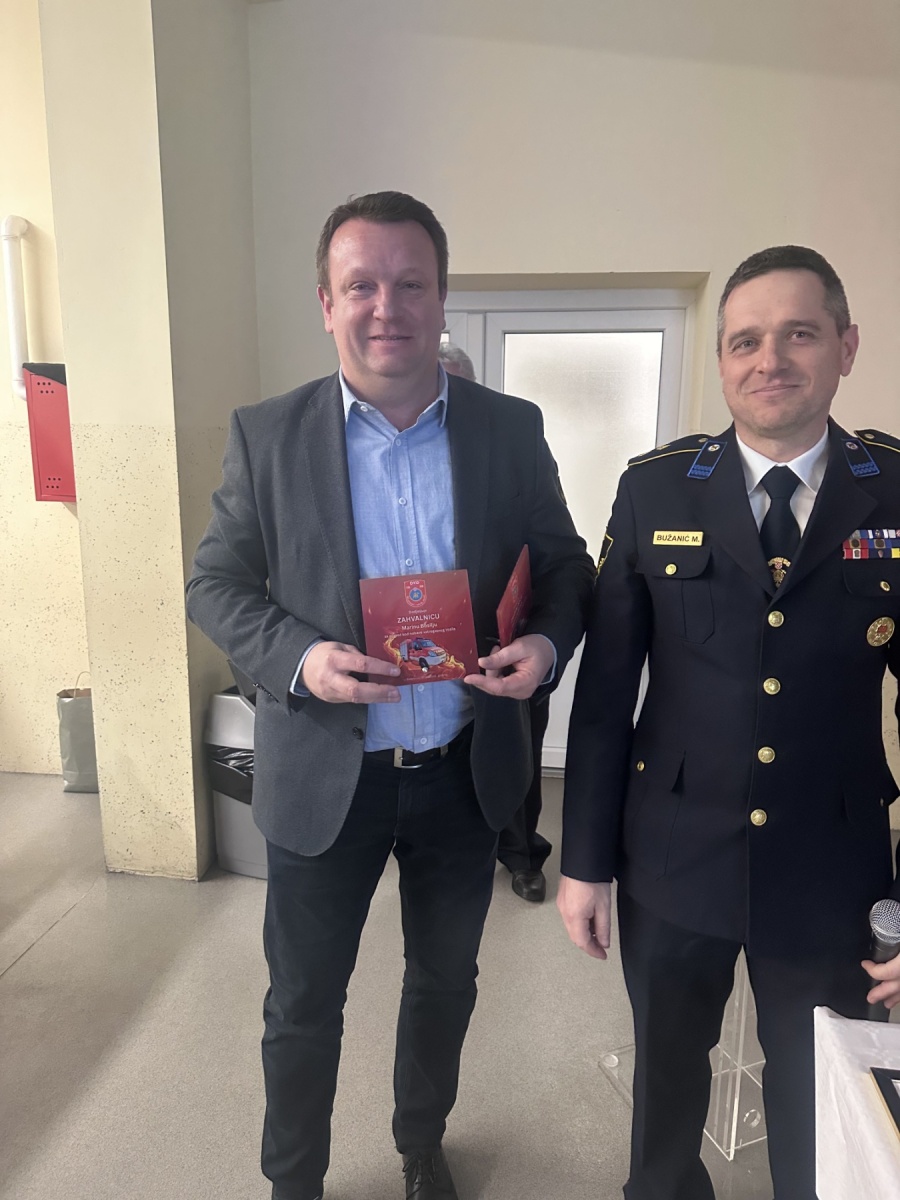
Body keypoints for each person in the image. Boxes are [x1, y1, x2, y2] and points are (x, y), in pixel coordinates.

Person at [187, 191, 593, 1200]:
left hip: (462, 772)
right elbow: (215, 584)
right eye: (361, 285)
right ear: (326, 302)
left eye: (411, 284)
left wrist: (544, 645)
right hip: (326, 773)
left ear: (441, 297)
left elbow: (566, 566)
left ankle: (421, 1144)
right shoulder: (267, 435)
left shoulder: (508, 430)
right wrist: (302, 658)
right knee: (302, 1003)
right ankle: (294, 1182)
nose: (387, 307)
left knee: (445, 982)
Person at [556, 245, 900, 1200]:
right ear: (721, 362)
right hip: (673, 856)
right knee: (665, 1095)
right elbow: (606, 695)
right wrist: (584, 861)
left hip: (833, 867)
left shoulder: (894, 489)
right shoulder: (656, 488)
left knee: (825, 1101)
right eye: (746, 341)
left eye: (800, 334)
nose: (770, 360)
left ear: (846, 346)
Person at [437, 342, 553, 903]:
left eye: (453, 383)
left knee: (519, 763)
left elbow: (557, 552)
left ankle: (523, 856)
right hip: (429, 662)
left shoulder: (509, 438)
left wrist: (543, 638)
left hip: (508, 647)